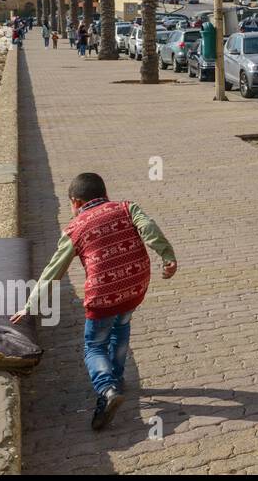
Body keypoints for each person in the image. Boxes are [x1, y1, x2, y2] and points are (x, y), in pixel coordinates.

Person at [11, 172, 178, 430]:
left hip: (104, 295)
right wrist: (167, 257)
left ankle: (108, 389)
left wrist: (31, 305)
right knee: (121, 328)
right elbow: (149, 228)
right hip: (135, 286)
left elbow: (53, 271)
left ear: (75, 202)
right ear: (105, 195)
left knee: (94, 346)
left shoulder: (75, 228)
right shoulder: (126, 207)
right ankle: (118, 378)